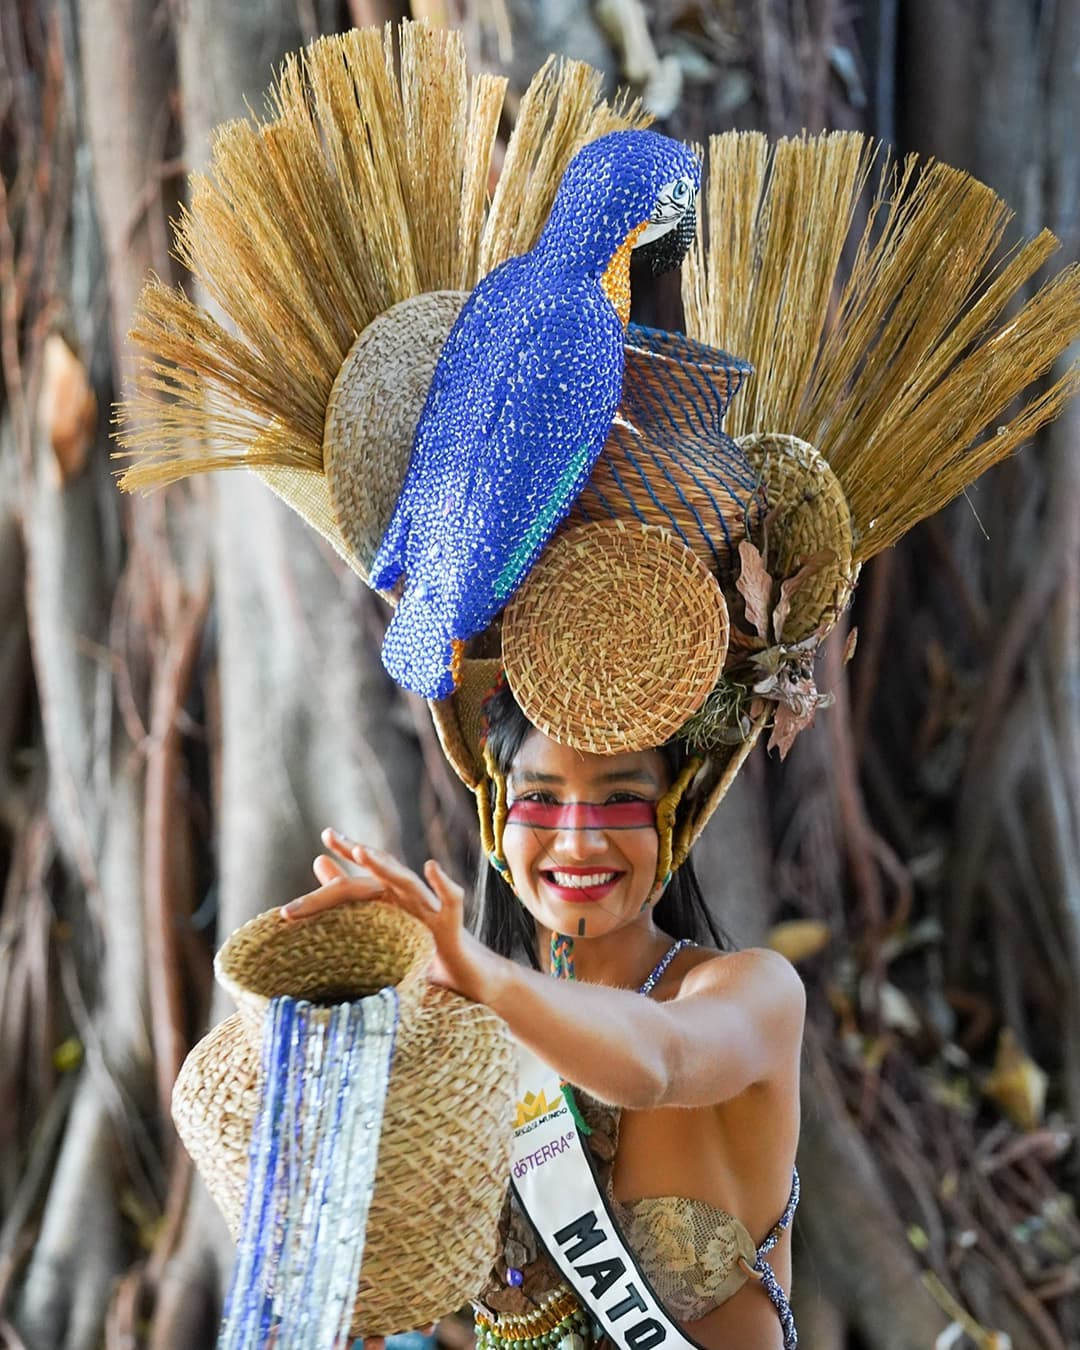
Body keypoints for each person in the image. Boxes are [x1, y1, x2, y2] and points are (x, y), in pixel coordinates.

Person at [282, 680, 805, 1350]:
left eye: (620, 799)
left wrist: (487, 977)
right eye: (541, 799)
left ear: (677, 812)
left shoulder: (755, 994)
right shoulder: (461, 1038)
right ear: (499, 814)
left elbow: (660, 1061)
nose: (578, 842)